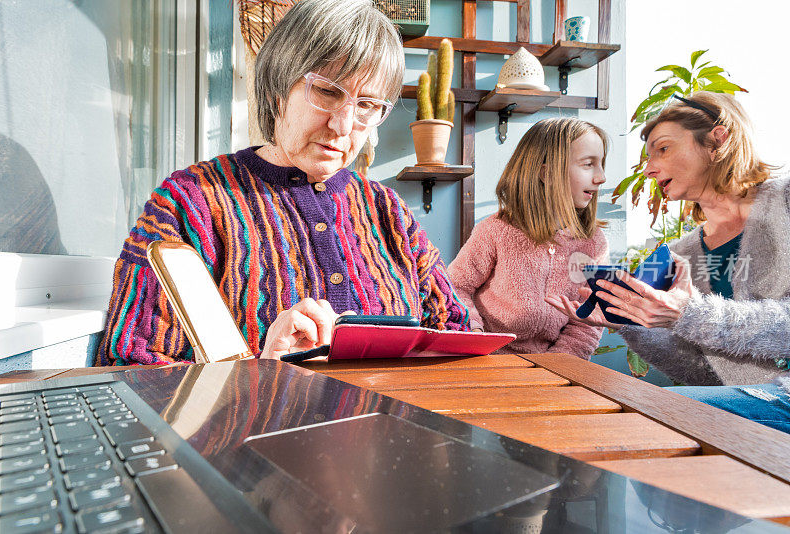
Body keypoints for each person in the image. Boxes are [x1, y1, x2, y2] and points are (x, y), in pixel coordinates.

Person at [97, 0, 469, 365]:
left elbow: (457, 333)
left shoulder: (387, 209)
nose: (342, 126)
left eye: (367, 105)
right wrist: (260, 372)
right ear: (278, 87)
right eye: (327, 91)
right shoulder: (190, 202)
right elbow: (131, 365)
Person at [547, 92, 790, 433]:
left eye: (663, 148)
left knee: (647, 417)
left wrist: (690, 313)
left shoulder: (786, 201)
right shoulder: (684, 253)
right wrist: (628, 323)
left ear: (717, 141)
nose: (648, 169)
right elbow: (706, 375)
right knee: (639, 414)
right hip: (761, 400)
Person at [447, 117, 609, 358]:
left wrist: (557, 367)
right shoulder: (495, 231)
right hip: (487, 364)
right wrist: (475, 334)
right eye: (588, 164)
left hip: (554, 370)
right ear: (546, 172)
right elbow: (453, 287)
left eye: (601, 164)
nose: (601, 177)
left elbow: (586, 321)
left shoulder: (593, 242)